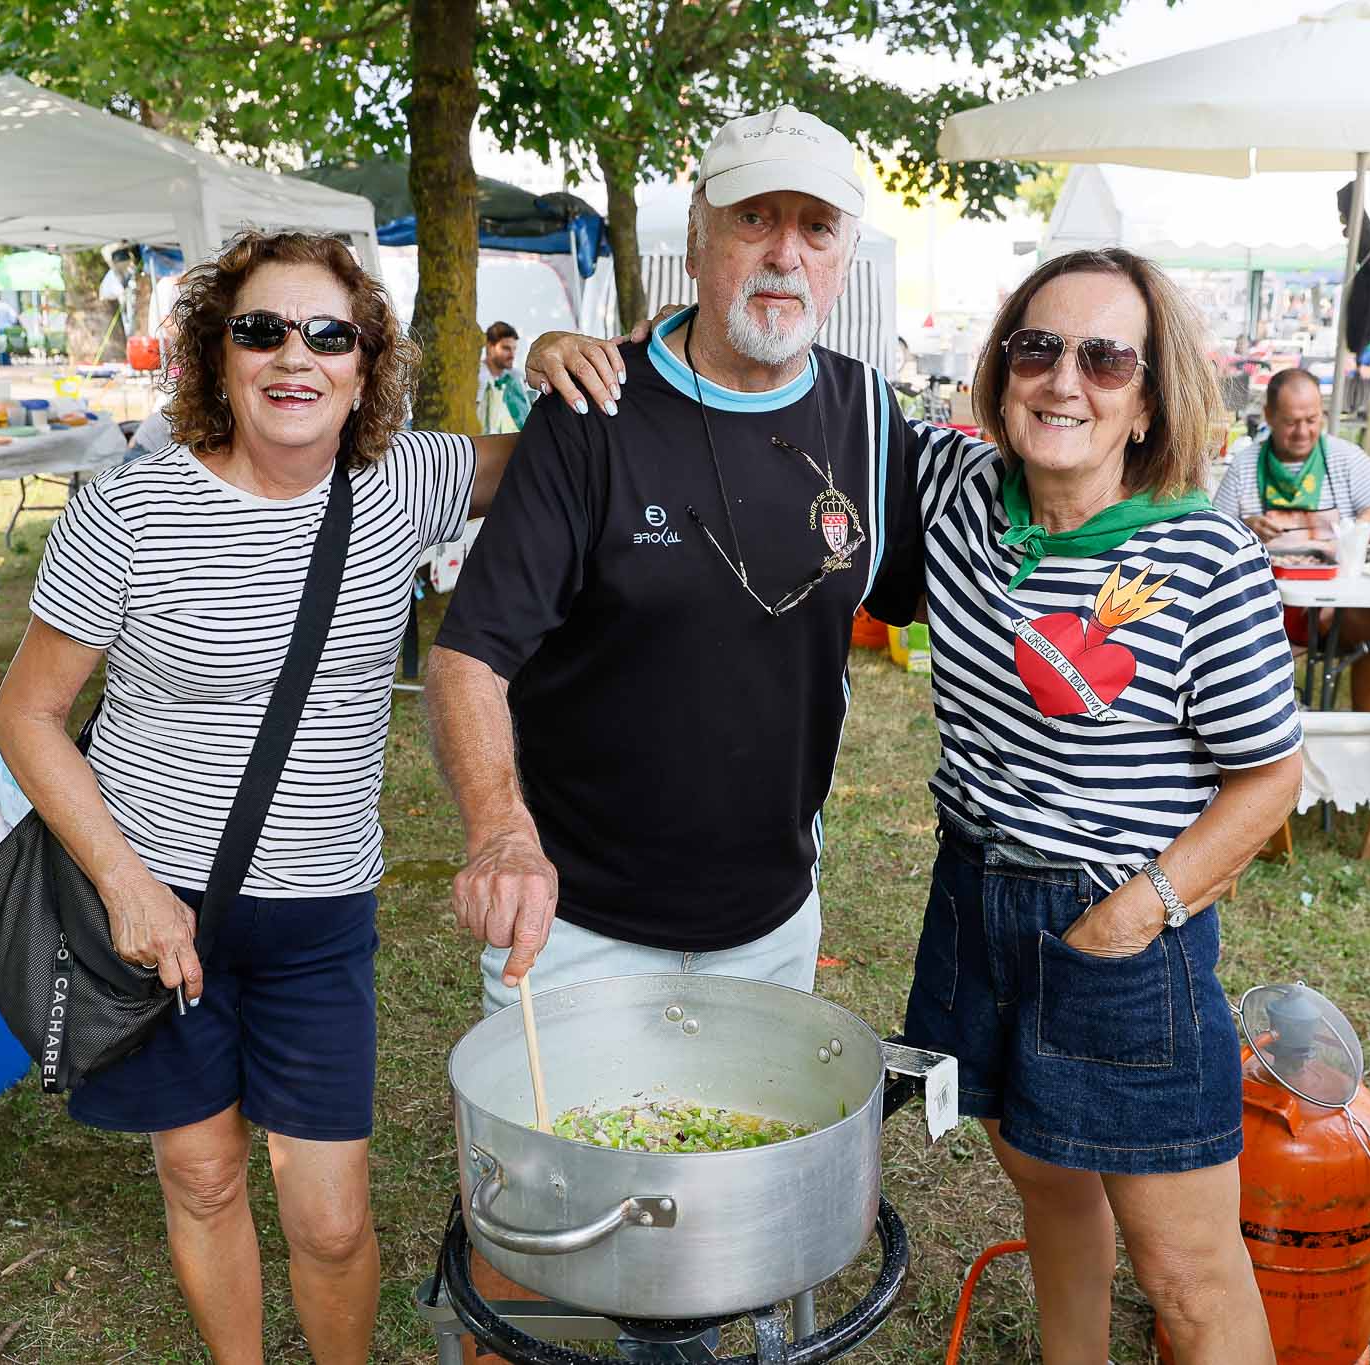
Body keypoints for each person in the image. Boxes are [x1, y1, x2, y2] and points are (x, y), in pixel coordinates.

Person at [426, 105, 920, 1362]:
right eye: (755, 218)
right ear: (697, 237)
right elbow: (470, 654)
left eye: (814, 227)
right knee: (535, 1252)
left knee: (725, 1239)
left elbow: (963, 588)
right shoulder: (591, 413)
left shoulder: (870, 423)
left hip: (768, 922)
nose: (782, 253)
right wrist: (499, 835)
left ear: (844, 255)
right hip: (576, 921)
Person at [0, 229, 530, 1365]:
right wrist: (128, 886)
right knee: (200, 1174)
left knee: (331, 1220)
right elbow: (25, 714)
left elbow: (556, 456)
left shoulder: (402, 484)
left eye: (329, 334)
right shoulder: (128, 511)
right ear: (214, 353)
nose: (296, 356)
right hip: (154, 917)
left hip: (317, 916)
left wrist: (579, 354)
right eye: (261, 329)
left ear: (364, 363)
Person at [893, 249, 1300, 1364]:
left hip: (1118, 926)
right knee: (1044, 1181)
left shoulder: (1200, 558)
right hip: (973, 893)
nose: (1062, 380)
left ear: (1147, 394)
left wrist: (1132, 913)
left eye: (1102, 357)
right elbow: (778, 391)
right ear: (999, 368)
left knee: (1185, 1266)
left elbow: (1269, 777)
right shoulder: (954, 490)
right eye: (1036, 347)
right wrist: (585, 357)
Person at [1212, 366, 1370, 710]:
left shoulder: (1345, 458)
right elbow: (1213, 537)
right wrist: (1243, 526)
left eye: (1312, 420)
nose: (1303, 432)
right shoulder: (1246, 466)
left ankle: (1365, 725)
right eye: (1291, 422)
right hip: (1260, 602)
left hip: (1329, 605)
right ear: (1268, 417)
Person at [476, 320, 529, 433]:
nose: (512, 355)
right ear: (490, 347)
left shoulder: (516, 377)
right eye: (506, 348)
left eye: (514, 349)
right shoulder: (478, 377)